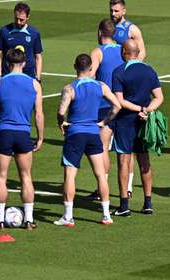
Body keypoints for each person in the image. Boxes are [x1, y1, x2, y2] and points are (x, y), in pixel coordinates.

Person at [54, 53, 121, 227]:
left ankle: (68, 216)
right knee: (100, 175)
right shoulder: (101, 86)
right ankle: (106, 215)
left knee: (70, 175)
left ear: (75, 67)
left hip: (75, 133)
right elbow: (117, 106)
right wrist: (104, 122)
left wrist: (61, 123)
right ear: (91, 68)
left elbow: (61, 112)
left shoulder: (70, 88)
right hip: (93, 133)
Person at [0, 48, 44, 230]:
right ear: (25, 63)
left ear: (7, 64)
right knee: (26, 176)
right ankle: (28, 219)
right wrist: (41, 137)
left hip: (4, 131)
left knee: (0, 177)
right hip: (23, 133)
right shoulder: (34, 85)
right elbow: (38, 114)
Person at [110, 40, 164, 216]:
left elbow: (120, 100)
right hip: (144, 122)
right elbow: (158, 97)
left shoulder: (119, 71)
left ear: (124, 52)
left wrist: (139, 109)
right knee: (144, 161)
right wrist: (147, 110)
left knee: (123, 162)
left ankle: (124, 205)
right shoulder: (149, 70)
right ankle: (148, 203)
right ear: (138, 51)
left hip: (125, 121)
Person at [89, 19, 125, 200]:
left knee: (102, 147)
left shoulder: (97, 52)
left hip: (104, 105)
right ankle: (127, 189)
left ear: (100, 32)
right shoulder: (122, 49)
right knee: (125, 149)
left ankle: (101, 187)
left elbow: (89, 75)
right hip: (123, 104)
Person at [0, 2, 43, 81]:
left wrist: (38, 77)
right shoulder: (4, 31)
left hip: (29, 77)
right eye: (16, 18)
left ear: (28, 17)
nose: (18, 22)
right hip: (8, 76)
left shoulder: (34, 33)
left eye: (21, 20)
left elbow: (38, 57)